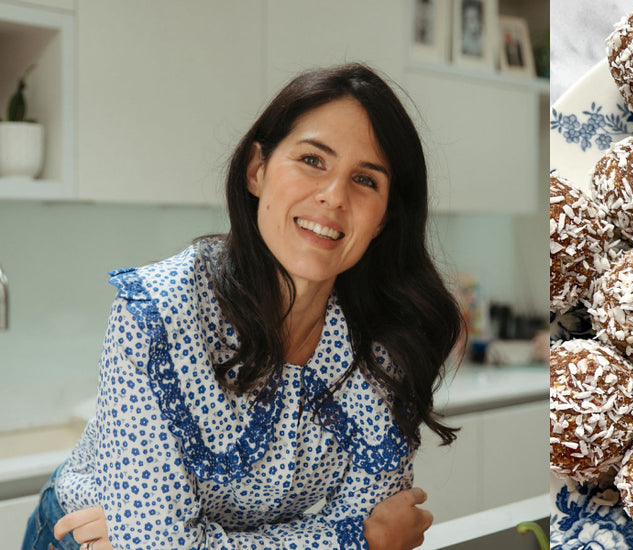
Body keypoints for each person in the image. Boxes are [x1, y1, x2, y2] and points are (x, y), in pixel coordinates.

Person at [20, 63, 464, 550]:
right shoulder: (159, 313)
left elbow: (385, 514)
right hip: (80, 538)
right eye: (313, 160)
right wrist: (351, 541)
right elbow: (372, 535)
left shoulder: (385, 342)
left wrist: (182, 540)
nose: (333, 196)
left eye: (365, 180)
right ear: (257, 170)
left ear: (383, 219)